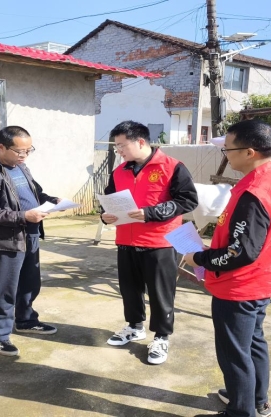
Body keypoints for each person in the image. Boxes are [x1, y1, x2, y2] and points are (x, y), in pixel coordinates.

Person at [185, 119, 271, 417]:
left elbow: (240, 252)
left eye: (228, 149)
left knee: (234, 353)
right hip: (263, 279)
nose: (225, 155)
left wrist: (200, 259)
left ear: (249, 152)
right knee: (253, 341)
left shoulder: (254, 192)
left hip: (241, 285)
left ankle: (241, 411)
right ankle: (256, 400)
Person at [101, 120, 198, 365]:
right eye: (116, 146)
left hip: (159, 242)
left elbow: (187, 200)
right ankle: (134, 327)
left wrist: (150, 213)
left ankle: (162, 336)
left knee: (160, 293)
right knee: (129, 289)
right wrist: (105, 215)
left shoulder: (172, 167)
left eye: (122, 145)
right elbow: (109, 200)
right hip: (126, 240)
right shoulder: (118, 172)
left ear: (141, 141)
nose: (119, 150)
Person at [0, 125, 60, 357]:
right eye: (20, 151)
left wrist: (52, 200)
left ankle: (26, 320)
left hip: (30, 234)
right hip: (7, 240)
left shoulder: (21, 167)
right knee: (4, 289)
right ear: (1, 147)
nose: (24, 156)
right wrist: (23, 216)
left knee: (30, 283)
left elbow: (35, 193)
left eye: (29, 150)